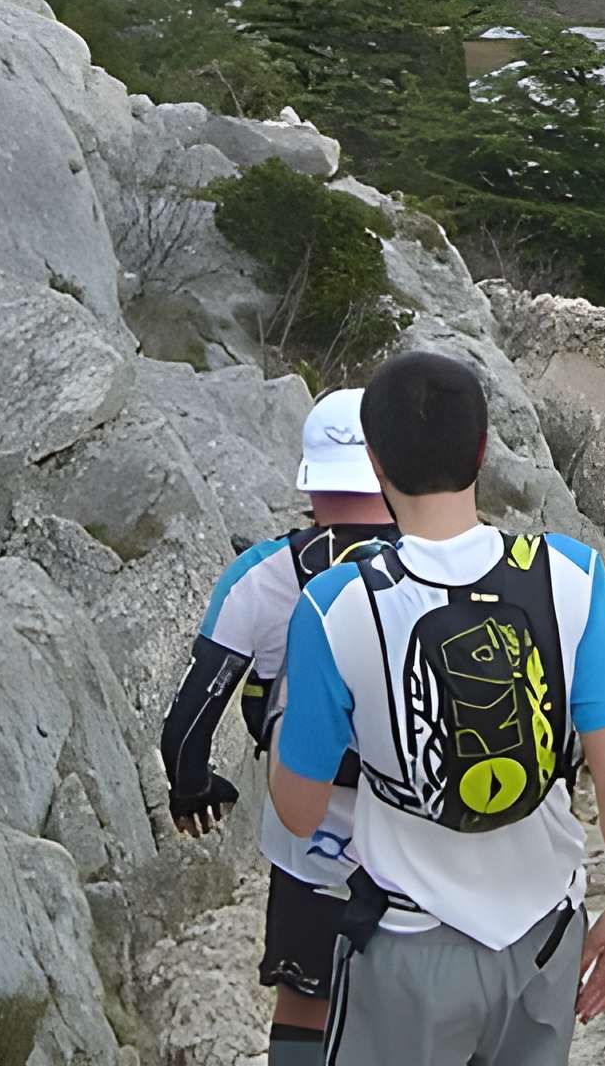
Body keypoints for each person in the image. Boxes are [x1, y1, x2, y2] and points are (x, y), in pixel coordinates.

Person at [271, 349, 605, 1065]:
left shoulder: (334, 606)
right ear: (482, 450)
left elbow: (298, 812)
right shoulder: (572, 577)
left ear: (377, 464)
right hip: (544, 944)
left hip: (409, 953)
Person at [156, 386, 397, 1066]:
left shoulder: (260, 576)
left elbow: (188, 725)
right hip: (422, 831)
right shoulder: (444, 565)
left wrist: (192, 789)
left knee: (304, 995)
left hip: (309, 835)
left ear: (309, 478)